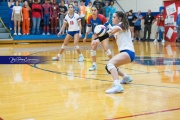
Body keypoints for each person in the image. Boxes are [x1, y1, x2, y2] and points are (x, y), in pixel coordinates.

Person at [91, 11, 135, 94]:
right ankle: (126, 77)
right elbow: (110, 30)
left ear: (120, 18)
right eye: (112, 17)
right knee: (109, 67)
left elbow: (110, 32)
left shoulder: (123, 25)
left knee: (110, 64)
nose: (112, 18)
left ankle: (117, 86)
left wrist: (98, 40)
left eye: (114, 17)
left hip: (128, 52)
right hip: (126, 53)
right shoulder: (117, 27)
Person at [83, 6, 112, 71]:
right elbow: (88, 27)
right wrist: (85, 36)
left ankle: (113, 62)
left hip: (104, 34)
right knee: (93, 49)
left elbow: (109, 25)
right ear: (90, 11)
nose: (93, 11)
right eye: (92, 10)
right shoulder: (89, 18)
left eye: (95, 10)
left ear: (97, 11)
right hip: (95, 34)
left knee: (105, 49)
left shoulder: (101, 17)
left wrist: (114, 32)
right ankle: (94, 65)